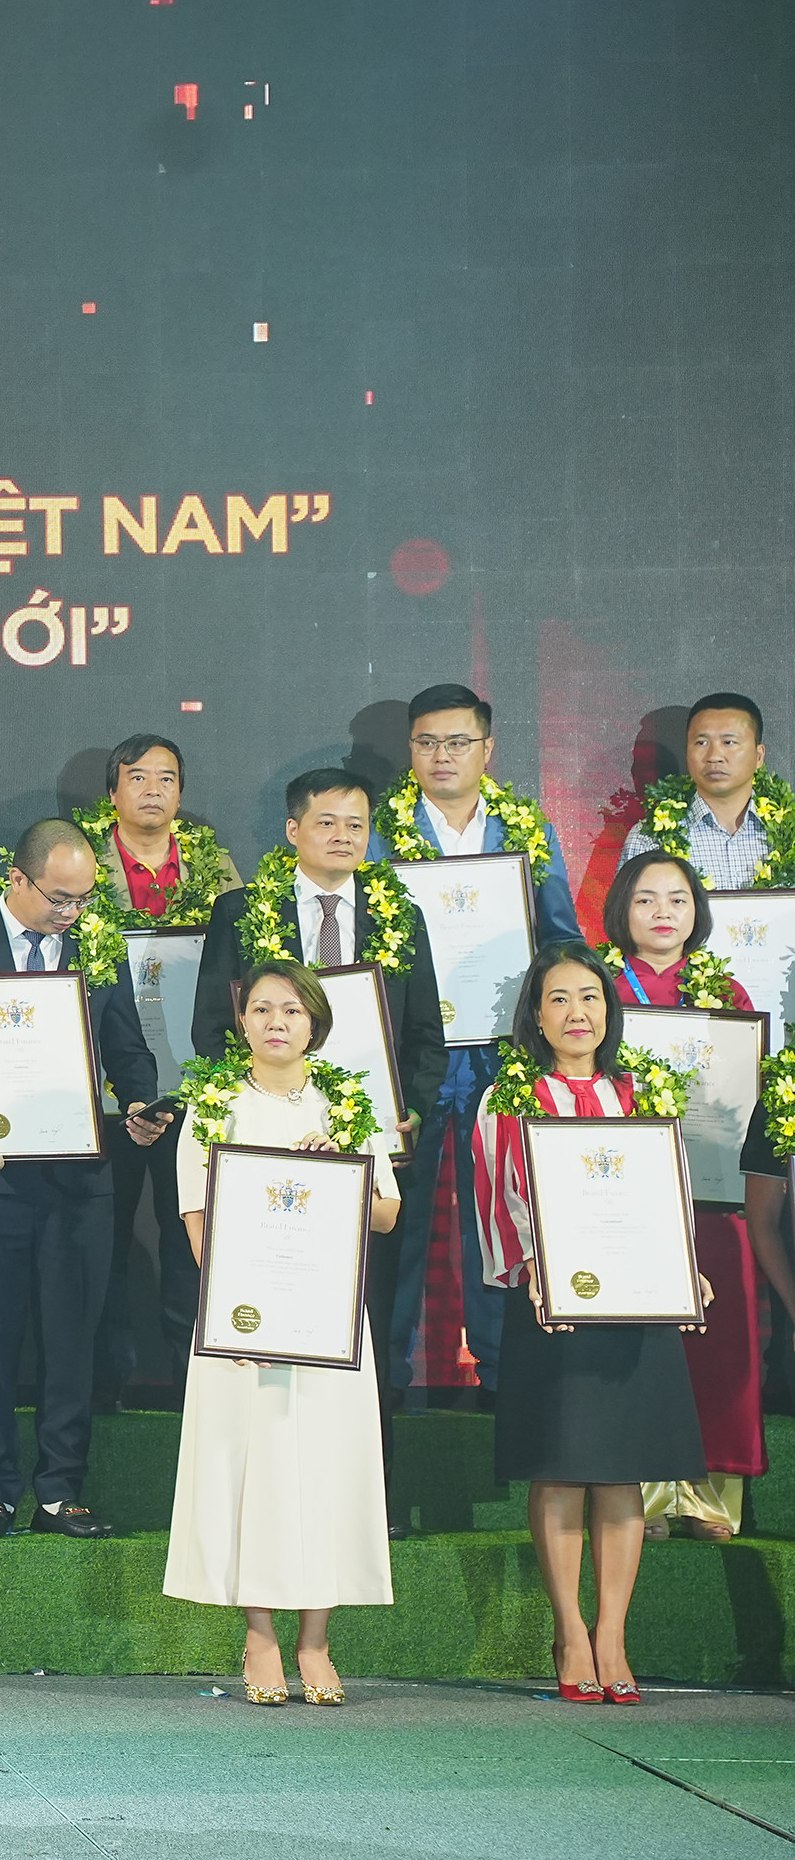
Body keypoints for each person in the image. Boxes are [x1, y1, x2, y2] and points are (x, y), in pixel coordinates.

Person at [194, 769, 446, 1522]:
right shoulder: (242, 911)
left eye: (356, 824)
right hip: (263, 1141)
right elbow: (211, 1027)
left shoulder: (400, 912)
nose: (343, 836)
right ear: (293, 830)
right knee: (273, 1311)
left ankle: (367, 1499)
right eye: (327, 822)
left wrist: (408, 1112)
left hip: (367, 1144)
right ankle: (272, 1498)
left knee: (372, 1320)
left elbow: (425, 1035)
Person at [0, 820, 167, 1539]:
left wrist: (139, 1104)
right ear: (16, 879)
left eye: (84, 899)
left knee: (72, 1336)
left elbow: (127, 1049)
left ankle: (60, 1490)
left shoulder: (97, 943)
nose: (73, 913)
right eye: (60, 898)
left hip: (79, 1176)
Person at [470, 943, 711, 1703]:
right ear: (536, 1018)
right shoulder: (508, 1096)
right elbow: (494, 1202)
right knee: (562, 1466)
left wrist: (684, 1268)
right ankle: (570, 1633)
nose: (578, 1013)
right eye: (560, 999)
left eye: (591, 997)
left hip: (635, 1301)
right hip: (554, 1306)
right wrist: (531, 1270)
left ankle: (613, 1636)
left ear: (609, 1010)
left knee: (621, 1470)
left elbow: (669, 1191)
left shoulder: (643, 1091)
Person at [164, 962, 399, 1705]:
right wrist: (236, 1309)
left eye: (292, 1010)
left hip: (328, 1320)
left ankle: (316, 1639)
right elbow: (196, 1220)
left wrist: (346, 1168)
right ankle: (260, 1635)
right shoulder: (215, 1105)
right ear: (241, 1022)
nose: (276, 1022)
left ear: (315, 1022)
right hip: (244, 1323)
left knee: (326, 1468)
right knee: (250, 1470)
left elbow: (386, 1213)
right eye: (262, 1009)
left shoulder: (348, 1102)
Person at [384, 685, 586, 1416]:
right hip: (415, 1053)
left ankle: (505, 1374)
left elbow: (560, 934)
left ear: (487, 749)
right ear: (411, 750)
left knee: (504, 1210)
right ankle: (386, 1375)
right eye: (427, 743)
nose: (442, 756)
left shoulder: (525, 830)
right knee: (398, 1211)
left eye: (458, 742)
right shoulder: (379, 832)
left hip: (501, 1049)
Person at [603, 852, 776, 1542]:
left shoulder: (724, 991)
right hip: (625, 1190)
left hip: (712, 1193)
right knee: (639, 1340)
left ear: (697, 912)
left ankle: (710, 1499)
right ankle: (641, 1495)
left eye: (677, 899)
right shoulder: (599, 986)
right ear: (622, 909)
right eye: (646, 899)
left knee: (719, 1337)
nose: (663, 912)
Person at [76, 734, 241, 1409]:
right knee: (101, 1242)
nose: (152, 790)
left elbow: (240, 972)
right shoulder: (81, 863)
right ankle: (102, 1382)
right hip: (100, 1088)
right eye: (138, 777)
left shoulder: (214, 867)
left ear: (181, 792)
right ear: (112, 791)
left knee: (190, 1239)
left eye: (166, 778)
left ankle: (191, 1381)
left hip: (194, 1086)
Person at [625, 693, 790, 891]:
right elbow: (628, 910)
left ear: (759, 756)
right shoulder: (649, 839)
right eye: (701, 743)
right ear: (687, 752)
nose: (714, 756)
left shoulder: (790, 832)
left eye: (729, 742)